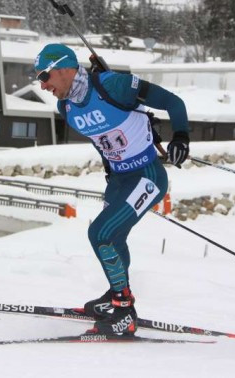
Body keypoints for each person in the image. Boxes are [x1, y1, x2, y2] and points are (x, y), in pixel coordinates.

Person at [34, 44, 189, 336]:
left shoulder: (113, 85)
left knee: (100, 233)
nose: (43, 85)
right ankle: (116, 294)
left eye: (45, 75)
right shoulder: (65, 107)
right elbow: (103, 137)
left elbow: (173, 102)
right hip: (118, 180)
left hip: (147, 176)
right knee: (112, 239)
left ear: (66, 67)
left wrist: (180, 137)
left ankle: (125, 310)